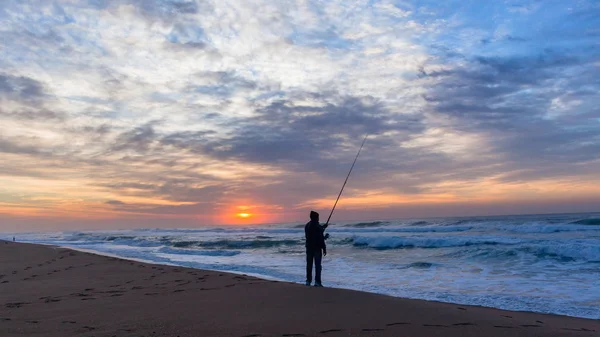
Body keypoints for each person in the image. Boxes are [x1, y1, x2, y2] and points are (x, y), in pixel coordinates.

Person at [305, 211, 327, 287]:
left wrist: (322, 228)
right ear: (315, 217)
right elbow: (320, 237)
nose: (318, 219)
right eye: (318, 217)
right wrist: (324, 248)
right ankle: (317, 282)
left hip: (309, 248)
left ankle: (308, 281)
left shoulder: (307, 225)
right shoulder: (317, 226)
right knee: (318, 266)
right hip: (317, 248)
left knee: (309, 265)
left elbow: (312, 236)